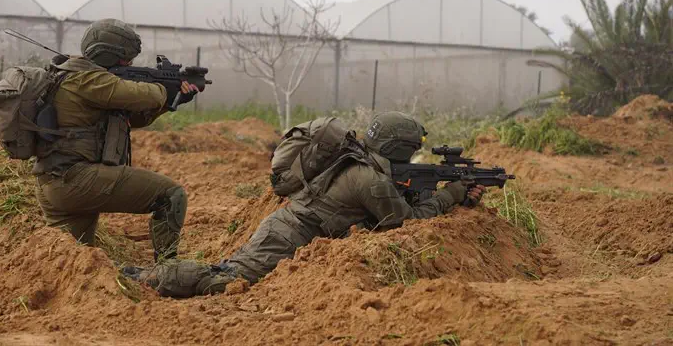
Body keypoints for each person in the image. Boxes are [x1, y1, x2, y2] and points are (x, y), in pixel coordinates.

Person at [123, 111, 486, 297]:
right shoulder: (370, 179)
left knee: (227, 273)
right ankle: (148, 279)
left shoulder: (368, 165)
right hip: (287, 235)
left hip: (291, 228)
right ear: (399, 150)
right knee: (227, 279)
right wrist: (451, 195)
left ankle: (150, 276)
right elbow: (404, 222)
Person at [32, 18, 199, 260]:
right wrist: (167, 89)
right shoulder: (88, 79)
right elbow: (140, 95)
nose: (129, 63)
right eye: (125, 59)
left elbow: (129, 118)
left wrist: (171, 102)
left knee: (69, 263)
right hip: (76, 180)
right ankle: (168, 268)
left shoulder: (74, 75)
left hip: (55, 180)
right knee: (171, 195)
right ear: (109, 54)